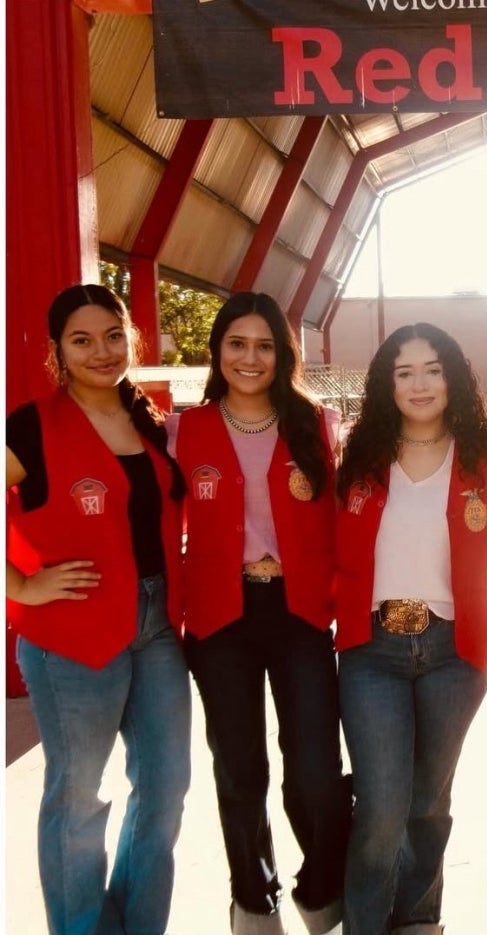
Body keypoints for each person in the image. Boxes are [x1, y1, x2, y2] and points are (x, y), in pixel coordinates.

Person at [6, 284, 191, 935]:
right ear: (58, 349)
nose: (101, 351)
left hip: (158, 626)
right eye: (81, 340)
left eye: (113, 335)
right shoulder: (29, 425)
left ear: (131, 339)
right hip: (71, 635)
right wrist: (21, 586)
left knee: (165, 789)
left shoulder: (153, 420)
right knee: (79, 799)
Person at [170, 292, 349, 935]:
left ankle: (324, 886)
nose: (250, 358)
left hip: (300, 613)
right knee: (239, 767)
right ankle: (254, 897)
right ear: (218, 351)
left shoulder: (316, 424)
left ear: (283, 353)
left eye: (265, 345)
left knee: (315, 770)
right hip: (220, 619)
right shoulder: (182, 430)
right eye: (237, 344)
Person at [333, 322, 487, 935]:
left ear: (453, 377)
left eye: (433, 368)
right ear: (387, 384)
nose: (420, 384)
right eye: (404, 372)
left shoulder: (483, 457)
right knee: (381, 808)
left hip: (454, 651)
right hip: (371, 651)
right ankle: (364, 924)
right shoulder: (358, 456)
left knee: (429, 805)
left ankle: (418, 920)